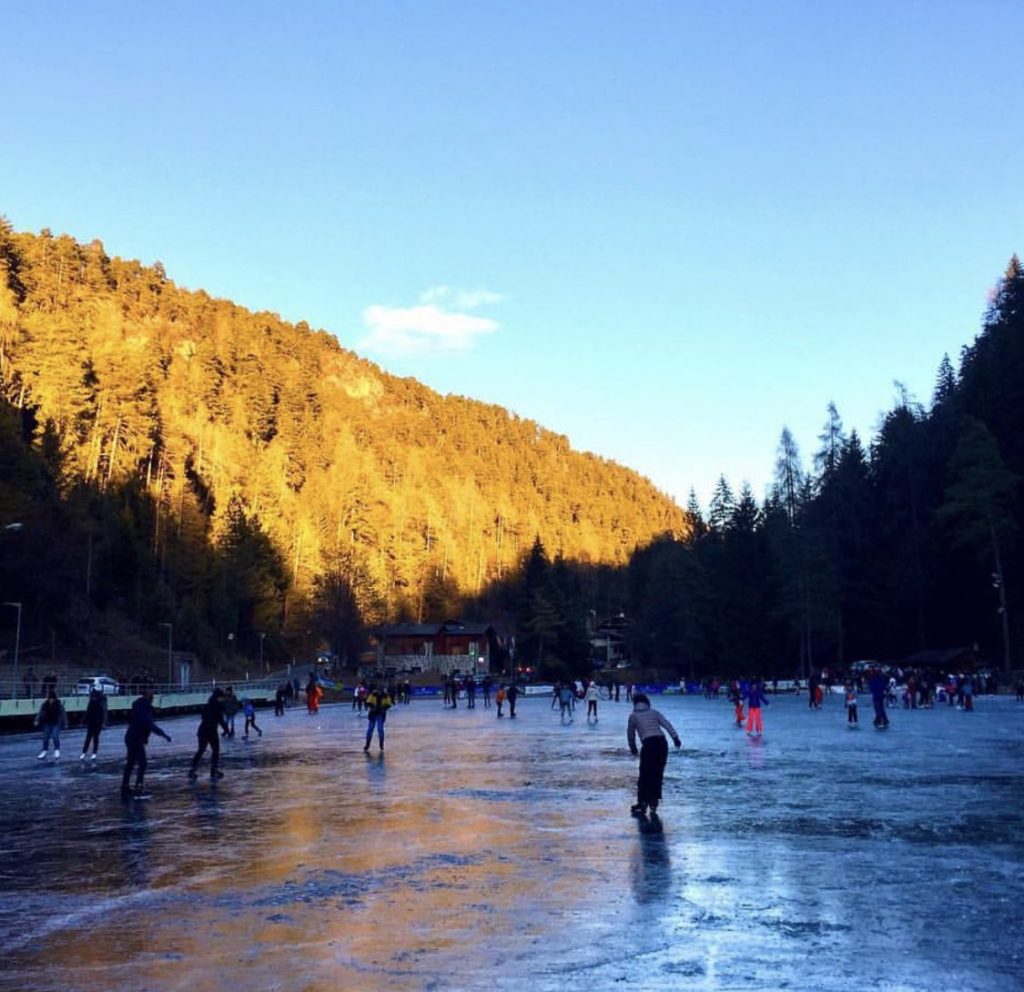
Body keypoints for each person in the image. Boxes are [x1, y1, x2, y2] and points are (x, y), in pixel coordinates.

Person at [626, 692, 681, 818]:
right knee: (657, 773)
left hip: (649, 744)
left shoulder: (633, 716)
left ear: (635, 703)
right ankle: (654, 801)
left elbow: (630, 734)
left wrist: (633, 747)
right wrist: (675, 738)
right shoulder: (654, 712)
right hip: (662, 743)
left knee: (645, 774)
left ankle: (642, 802)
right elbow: (667, 725)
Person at [121, 687, 171, 799]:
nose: (153, 699)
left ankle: (125, 786)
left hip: (130, 737)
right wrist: (163, 734)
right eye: (152, 697)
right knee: (142, 763)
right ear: (148, 697)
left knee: (130, 763)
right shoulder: (144, 708)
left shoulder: (139, 705)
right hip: (136, 738)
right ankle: (138, 786)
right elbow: (149, 724)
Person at [189, 688, 229, 781]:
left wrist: (225, 729)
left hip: (207, 730)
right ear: (218, 697)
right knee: (206, 750)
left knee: (208, 750)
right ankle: (211, 770)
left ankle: (195, 770)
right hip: (207, 731)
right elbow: (220, 720)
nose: (223, 699)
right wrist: (226, 729)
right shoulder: (215, 707)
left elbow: (218, 719)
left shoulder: (211, 706)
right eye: (221, 697)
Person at [35, 689, 66, 760]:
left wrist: (65, 722)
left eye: (52, 699)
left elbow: (63, 714)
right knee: (45, 737)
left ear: (55, 699)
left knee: (55, 736)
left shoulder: (59, 705)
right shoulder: (45, 705)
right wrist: (37, 719)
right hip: (47, 722)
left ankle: (57, 750)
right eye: (50, 699)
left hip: (56, 722)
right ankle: (44, 751)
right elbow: (40, 713)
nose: (51, 700)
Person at [80, 687, 108, 760]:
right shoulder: (100, 700)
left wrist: (103, 723)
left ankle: (87, 752)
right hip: (94, 721)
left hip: (96, 721)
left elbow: (103, 712)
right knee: (92, 737)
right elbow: (88, 711)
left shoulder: (98, 701)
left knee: (92, 737)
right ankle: (90, 753)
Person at [363, 684, 393, 752]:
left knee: (378, 729)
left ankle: (380, 744)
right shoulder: (374, 694)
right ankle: (369, 744)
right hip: (374, 714)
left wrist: (382, 708)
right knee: (372, 730)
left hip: (379, 714)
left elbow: (388, 704)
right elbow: (368, 702)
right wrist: (373, 707)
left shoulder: (384, 695)